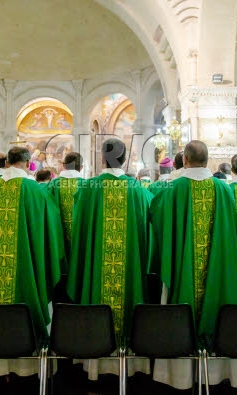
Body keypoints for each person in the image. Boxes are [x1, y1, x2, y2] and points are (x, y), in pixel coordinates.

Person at [150, 140, 237, 390]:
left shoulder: (172, 188)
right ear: (207, 160)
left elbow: (156, 216)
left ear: (187, 161)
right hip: (218, 272)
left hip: (183, 269)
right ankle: (218, 374)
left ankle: (181, 377)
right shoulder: (224, 190)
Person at [0, 146, 64, 382]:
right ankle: (28, 373)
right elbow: (52, 237)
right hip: (28, 276)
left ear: (8, 162)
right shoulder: (37, 192)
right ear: (28, 162)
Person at [66, 138, 153, 379]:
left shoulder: (87, 188)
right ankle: (129, 363)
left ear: (103, 158)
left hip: (97, 273)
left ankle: (95, 363)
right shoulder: (136, 189)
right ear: (125, 160)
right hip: (129, 272)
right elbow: (146, 233)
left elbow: (79, 232)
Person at [46, 152, 84, 256]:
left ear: (64, 165)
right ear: (81, 167)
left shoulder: (53, 184)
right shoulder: (86, 185)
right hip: (80, 235)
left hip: (57, 234)